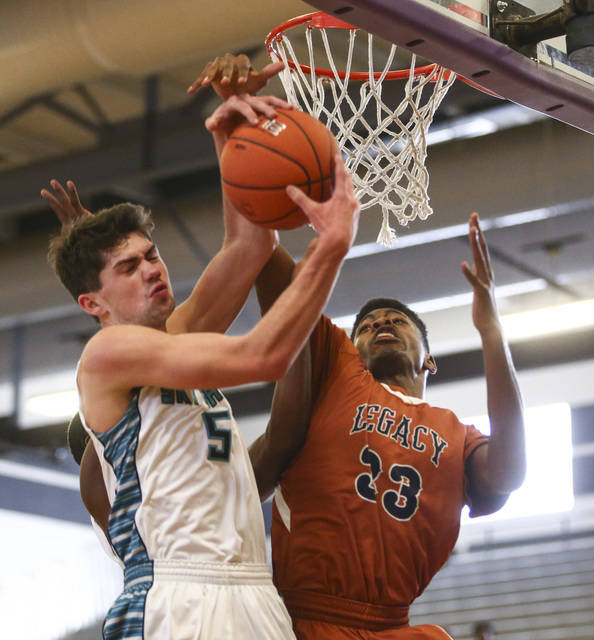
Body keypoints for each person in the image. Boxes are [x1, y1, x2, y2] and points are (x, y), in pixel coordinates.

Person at [45, 78, 360, 640]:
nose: (151, 268)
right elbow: (265, 357)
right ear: (92, 304)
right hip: (179, 593)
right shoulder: (107, 354)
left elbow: (251, 247)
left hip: (253, 590)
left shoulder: (178, 337)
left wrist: (231, 141)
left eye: (152, 254)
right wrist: (330, 247)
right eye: (128, 267)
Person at [250, 212, 526, 639]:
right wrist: (257, 191)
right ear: (353, 349)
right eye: (366, 326)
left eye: (397, 321)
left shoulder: (457, 434)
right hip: (301, 618)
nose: (380, 323)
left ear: (429, 359)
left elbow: (510, 474)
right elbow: (275, 276)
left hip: (391, 625)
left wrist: (491, 329)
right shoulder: (335, 371)